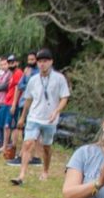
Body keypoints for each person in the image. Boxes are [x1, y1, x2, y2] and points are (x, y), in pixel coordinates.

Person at [12, 48, 70, 185]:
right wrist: (22, 117)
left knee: (46, 147)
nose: (42, 64)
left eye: (45, 61)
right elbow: (28, 99)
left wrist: (57, 111)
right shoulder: (33, 80)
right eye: (40, 62)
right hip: (34, 117)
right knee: (28, 143)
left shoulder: (59, 78)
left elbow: (64, 97)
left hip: (49, 119)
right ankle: (21, 175)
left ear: (51, 62)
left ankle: (45, 170)